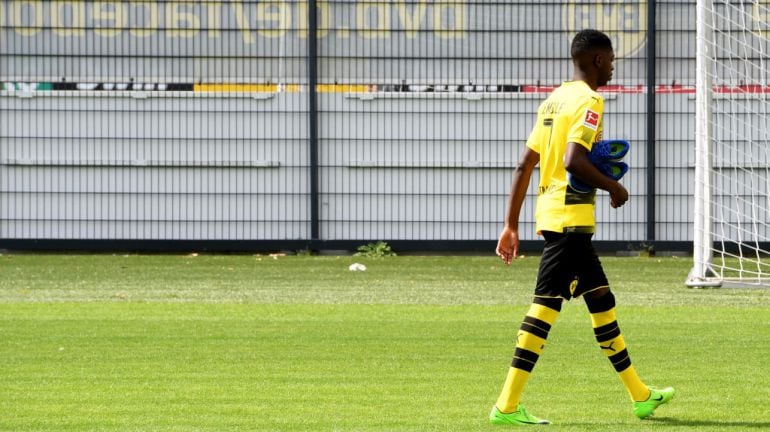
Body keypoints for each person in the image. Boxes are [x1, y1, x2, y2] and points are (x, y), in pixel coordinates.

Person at [489, 29, 674, 426]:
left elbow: (525, 165)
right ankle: (505, 406)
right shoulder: (590, 100)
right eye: (610, 60)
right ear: (597, 60)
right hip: (571, 221)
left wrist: (510, 225)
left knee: (602, 302)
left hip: (557, 218)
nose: (612, 67)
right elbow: (574, 160)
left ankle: (641, 396)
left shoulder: (555, 99)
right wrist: (613, 185)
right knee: (544, 308)